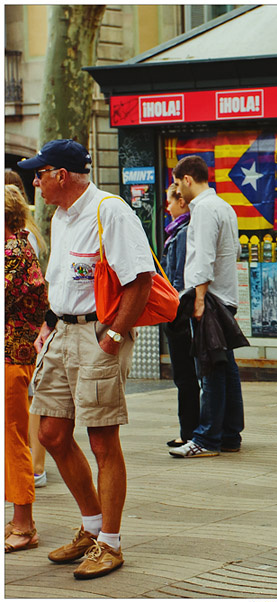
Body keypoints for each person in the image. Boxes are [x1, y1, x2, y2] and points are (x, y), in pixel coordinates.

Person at [21, 139, 155, 579]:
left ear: (62, 175)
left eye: (40, 174)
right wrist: (47, 323)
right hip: (61, 331)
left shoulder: (110, 211)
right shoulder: (60, 216)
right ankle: (92, 528)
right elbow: (63, 278)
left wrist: (113, 336)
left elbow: (140, 280)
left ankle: (111, 544)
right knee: (53, 433)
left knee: (102, 440)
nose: (35, 182)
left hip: (98, 333)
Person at [170, 155, 244, 457]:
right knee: (225, 368)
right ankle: (229, 434)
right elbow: (233, 250)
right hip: (225, 296)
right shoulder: (224, 207)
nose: (177, 192)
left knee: (210, 367)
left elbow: (202, 258)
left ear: (188, 178)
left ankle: (207, 439)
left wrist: (198, 298)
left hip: (210, 298)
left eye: (177, 184)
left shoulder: (202, 210)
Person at [5, 185, 49, 553]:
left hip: (12, 355)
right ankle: (19, 518)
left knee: (12, 438)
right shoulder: (18, 244)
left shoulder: (14, 252)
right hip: (12, 353)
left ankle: (24, 523)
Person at [160, 184, 200, 448]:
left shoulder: (183, 233)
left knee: (185, 375)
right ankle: (189, 428)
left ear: (182, 203)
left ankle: (189, 431)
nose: (167, 207)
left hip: (179, 311)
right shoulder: (178, 232)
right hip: (178, 309)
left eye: (170, 202)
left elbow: (179, 277)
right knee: (185, 375)